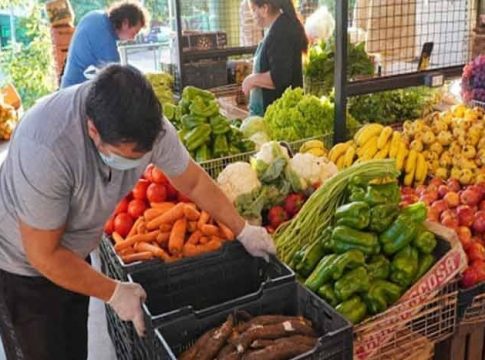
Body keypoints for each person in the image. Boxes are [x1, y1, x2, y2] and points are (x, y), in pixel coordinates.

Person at [0, 64, 276, 360]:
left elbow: (193, 181)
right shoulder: (47, 147)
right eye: (127, 157)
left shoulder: (150, 127)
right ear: (94, 131)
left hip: (73, 254)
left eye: (143, 157)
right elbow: (44, 255)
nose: (136, 165)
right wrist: (114, 291)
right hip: (24, 270)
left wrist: (243, 229)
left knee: (72, 347)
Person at [242, 0, 308, 116]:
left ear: (265, 9)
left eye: (254, 10)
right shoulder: (279, 26)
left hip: (279, 112)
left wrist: (252, 80)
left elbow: (280, 77)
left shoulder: (281, 32)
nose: (253, 16)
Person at [61, 1, 148, 88]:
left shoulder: (96, 17)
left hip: (69, 85)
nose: (133, 38)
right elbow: (118, 79)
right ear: (125, 23)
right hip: (76, 92)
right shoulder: (106, 39)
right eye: (135, 32)